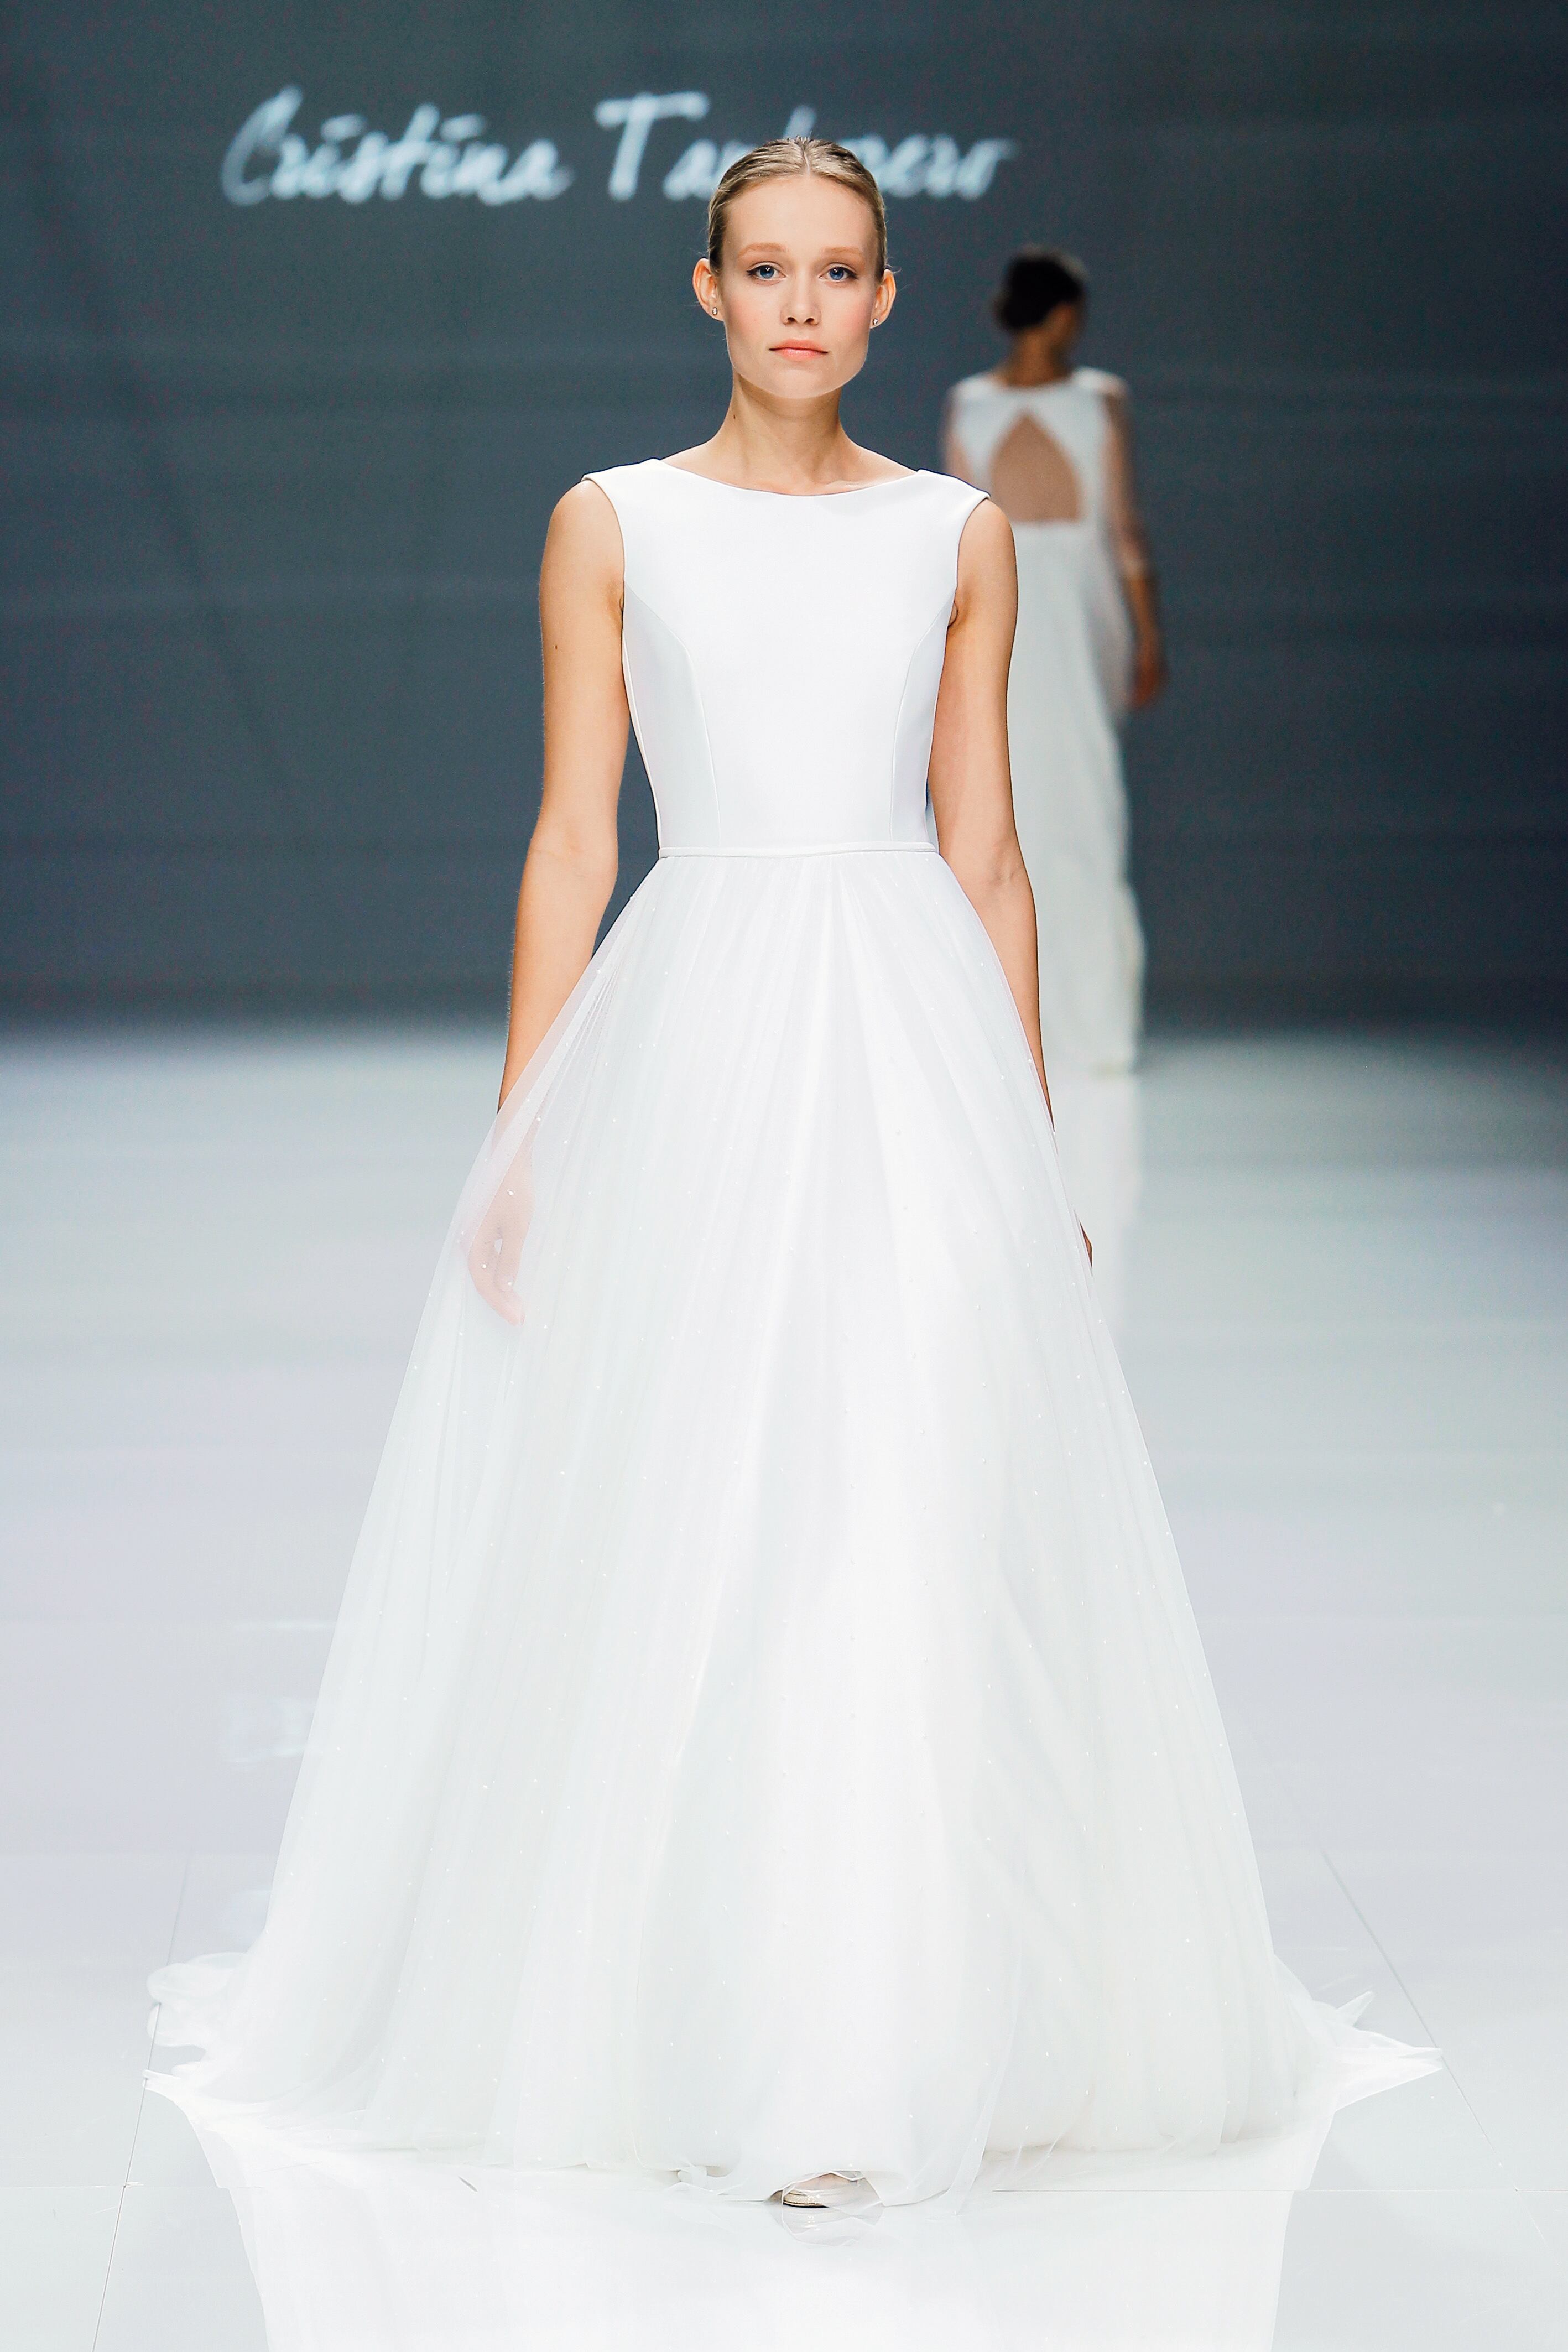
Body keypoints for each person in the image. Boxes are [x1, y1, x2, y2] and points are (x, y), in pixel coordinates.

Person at [150, 142, 1431, 2211]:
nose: (802, 307)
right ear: (708, 287)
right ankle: (707, 2012)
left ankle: (874, 2037)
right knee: (697, 1502)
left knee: (897, 1508)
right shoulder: (613, 522)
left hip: (905, 1040)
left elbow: (987, 854)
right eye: (766, 270)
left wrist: (1025, 1141)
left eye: (838, 272)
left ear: (886, 296)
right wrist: (523, 1135)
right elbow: (575, 842)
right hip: (695, 1040)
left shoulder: (951, 534)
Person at [944, 248, 1164, 1079]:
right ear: (1066, 314)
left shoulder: (972, 404)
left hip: (1011, 621)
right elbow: (1127, 534)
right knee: (1078, 816)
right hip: (1072, 620)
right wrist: (1151, 638)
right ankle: (1092, 1030)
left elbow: (957, 544)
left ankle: (999, 1026)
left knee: (1008, 808)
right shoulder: (1099, 401)